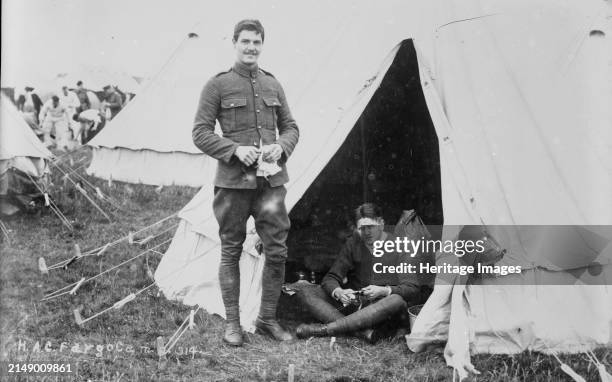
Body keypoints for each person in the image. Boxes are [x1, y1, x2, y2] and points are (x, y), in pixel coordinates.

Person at [192, 19, 299, 346]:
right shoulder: (217, 85)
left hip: (271, 185)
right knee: (231, 250)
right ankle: (233, 324)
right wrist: (234, 149)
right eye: (246, 42)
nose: (251, 48)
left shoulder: (272, 84)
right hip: (233, 185)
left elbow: (292, 127)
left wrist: (281, 146)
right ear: (235, 43)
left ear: (262, 45)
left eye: (257, 42)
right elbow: (200, 133)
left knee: (277, 251)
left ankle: (267, 319)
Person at [294, 203, 431, 342]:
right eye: (362, 228)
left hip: (383, 309)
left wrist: (384, 290)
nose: (366, 232)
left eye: (370, 227)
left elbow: (412, 288)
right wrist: (339, 292)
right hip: (357, 305)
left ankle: (325, 330)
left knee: (396, 300)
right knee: (305, 291)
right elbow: (331, 277)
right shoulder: (353, 244)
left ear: (381, 224)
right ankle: (362, 332)